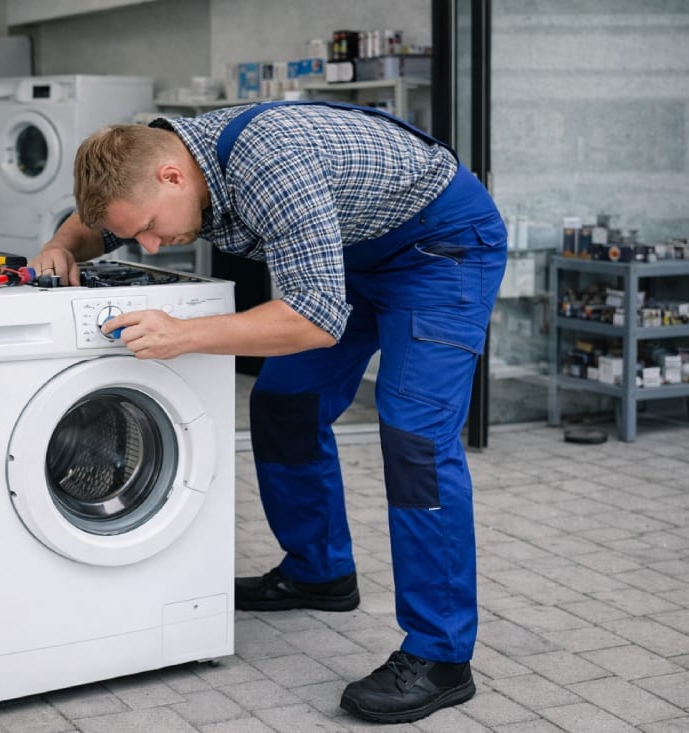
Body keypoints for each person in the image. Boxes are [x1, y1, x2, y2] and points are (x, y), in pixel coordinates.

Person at [28, 100, 507, 724]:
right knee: (283, 401)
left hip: (440, 251)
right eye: (134, 234)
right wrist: (63, 241)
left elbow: (314, 315)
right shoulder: (150, 158)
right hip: (352, 253)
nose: (148, 244)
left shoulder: (271, 162)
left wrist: (185, 334)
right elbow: (105, 223)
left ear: (173, 177)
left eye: (148, 226)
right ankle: (319, 574)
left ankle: (442, 656)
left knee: (415, 437)